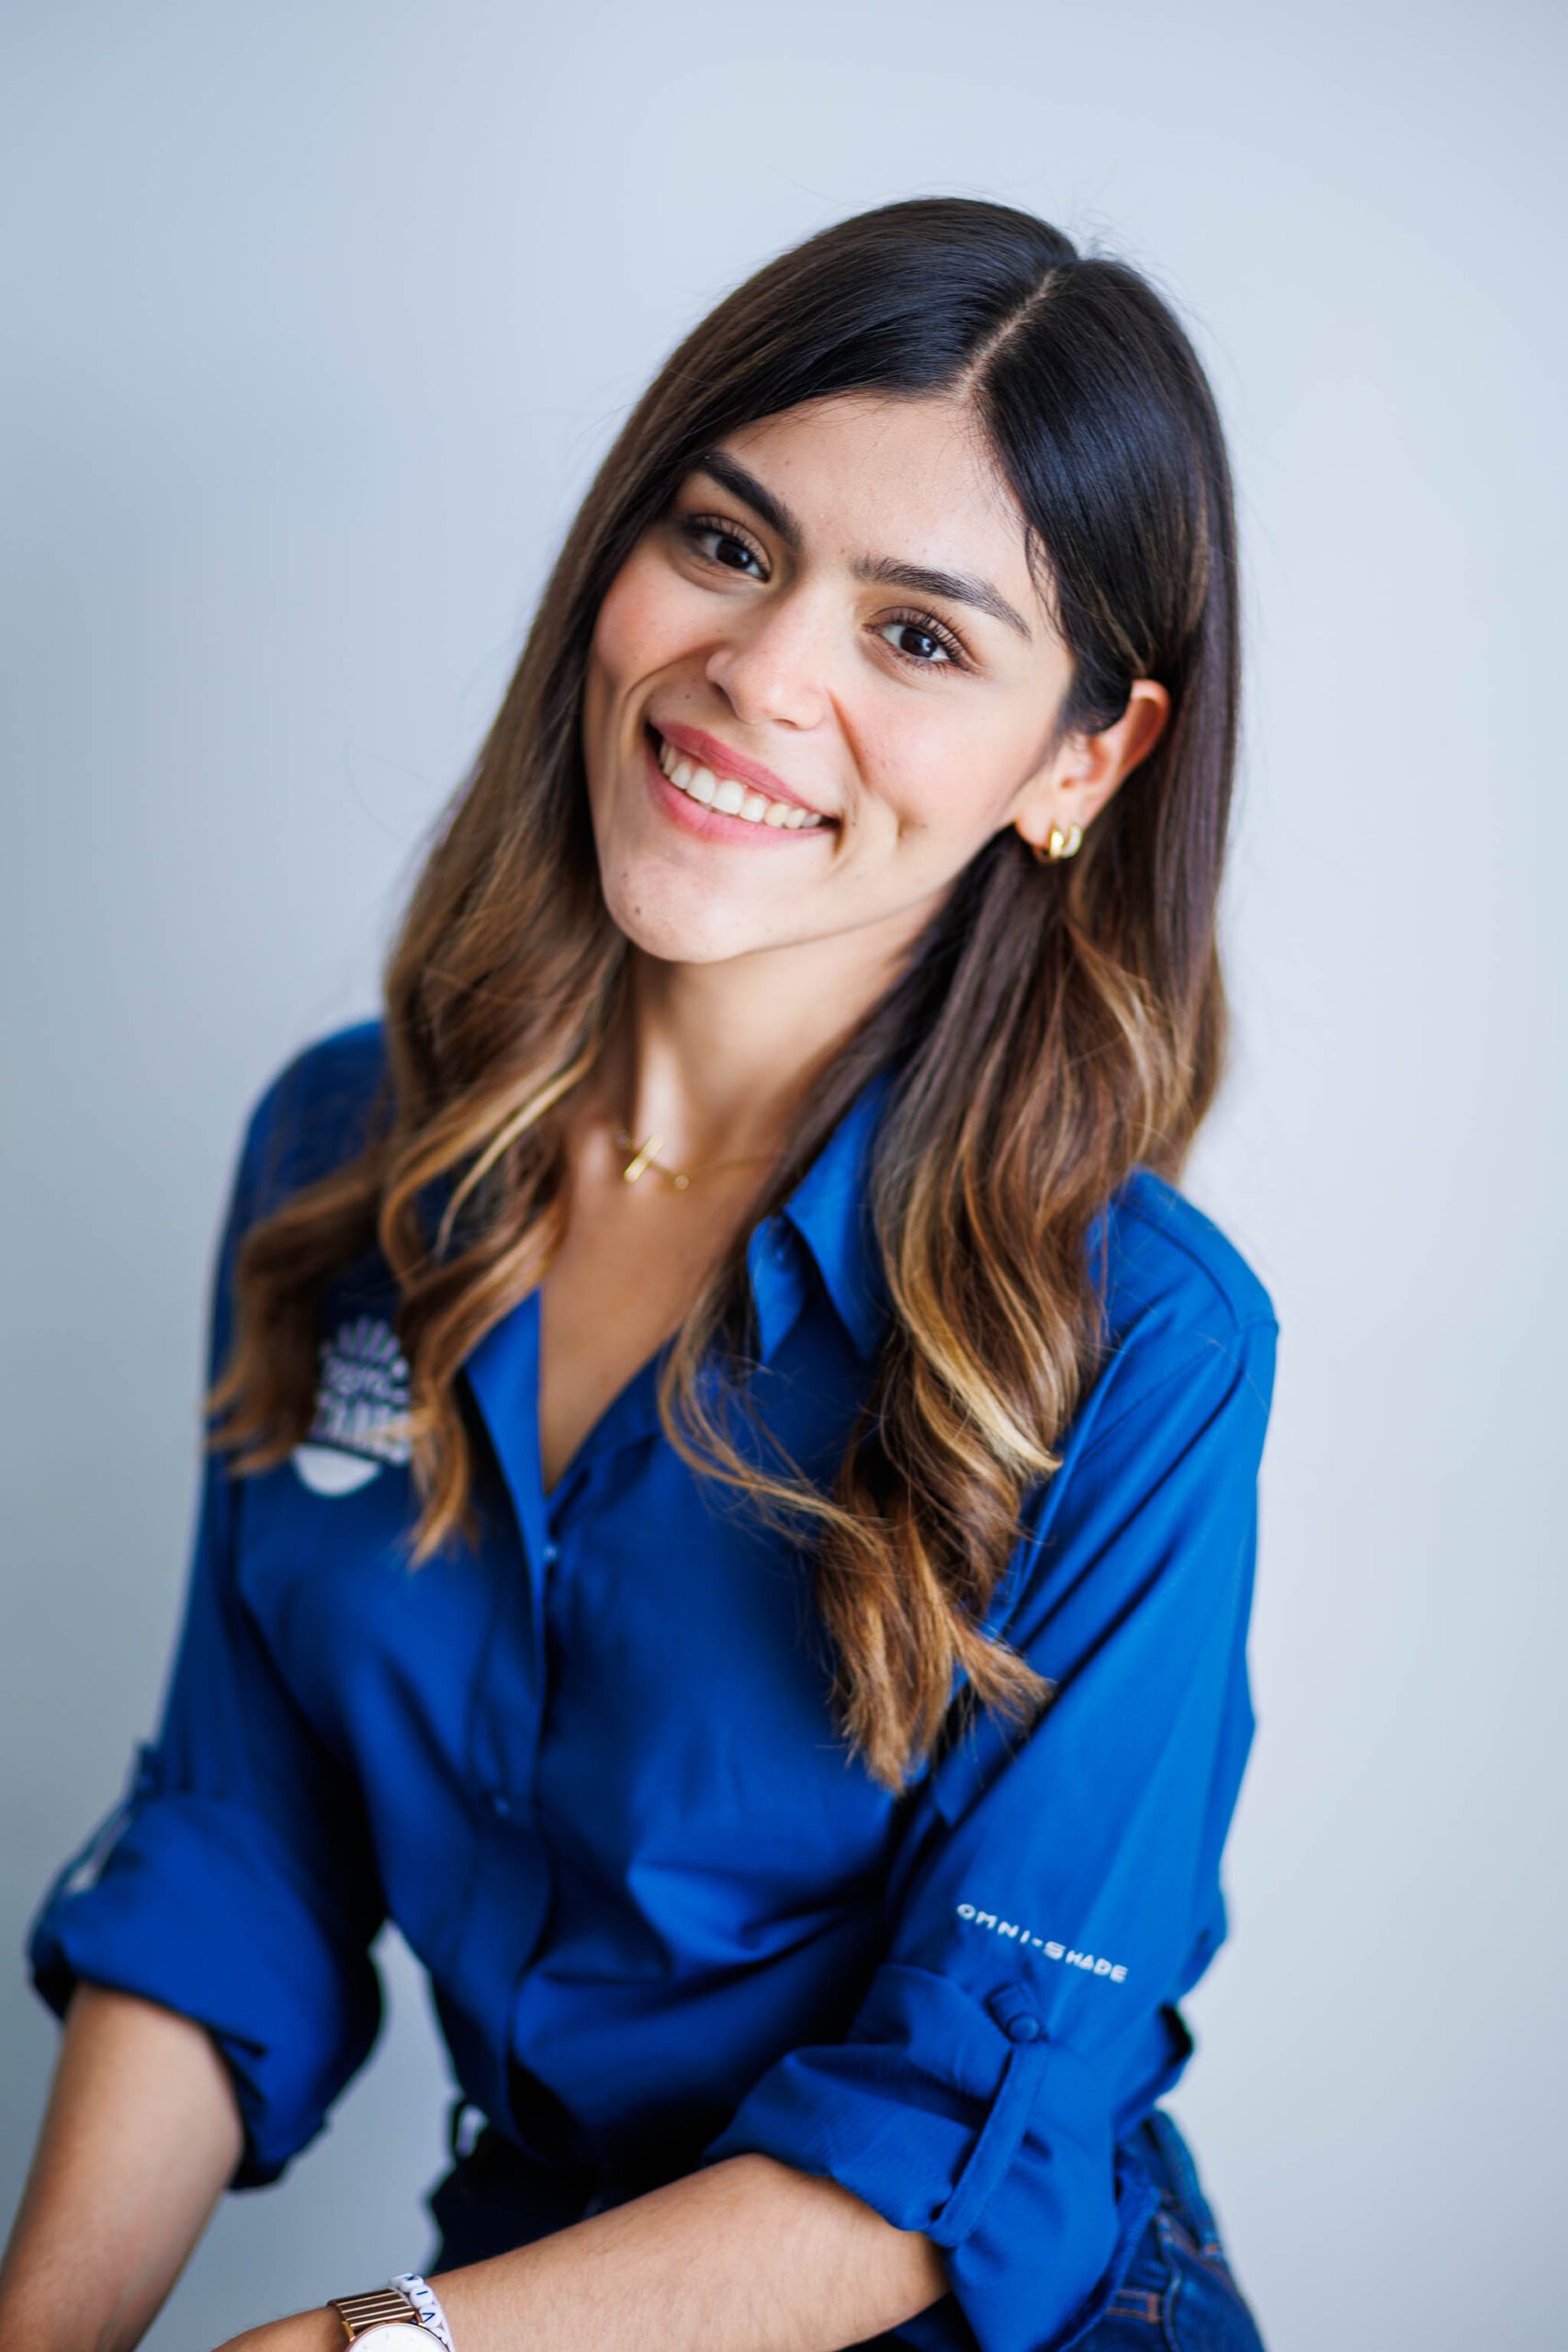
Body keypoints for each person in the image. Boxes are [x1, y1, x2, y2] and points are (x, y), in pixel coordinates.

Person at [1, 195, 1280, 2352]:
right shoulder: (343, 1155)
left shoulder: (1142, 1346)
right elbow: (239, 1844)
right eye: (727, 541)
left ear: (1083, 760)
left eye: (919, 636)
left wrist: (380, 2342)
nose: (761, 677)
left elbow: (951, 2131)